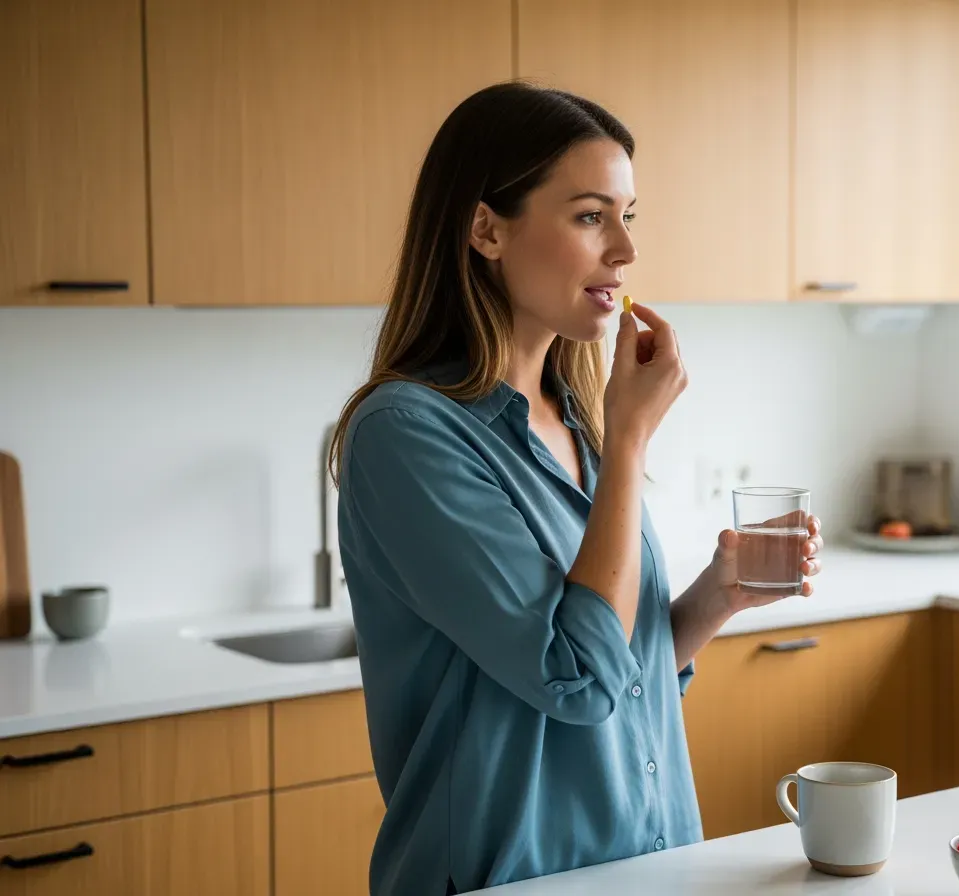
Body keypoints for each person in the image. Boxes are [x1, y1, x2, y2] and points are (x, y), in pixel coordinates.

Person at [329, 82, 824, 895]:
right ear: (486, 228)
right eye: (591, 216)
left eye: (628, 217)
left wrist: (715, 598)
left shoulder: (577, 423)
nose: (624, 252)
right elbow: (574, 676)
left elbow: (620, 670)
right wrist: (630, 439)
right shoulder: (407, 434)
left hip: (646, 862)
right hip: (503, 876)